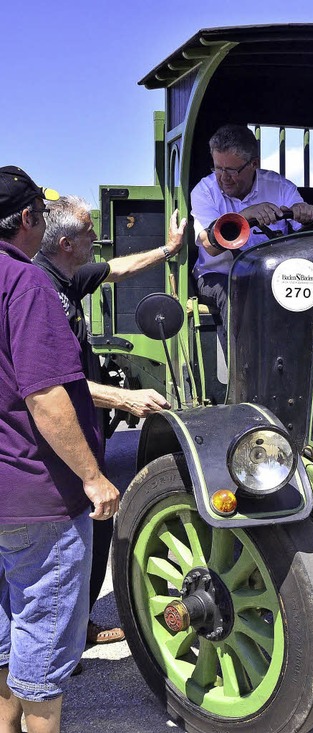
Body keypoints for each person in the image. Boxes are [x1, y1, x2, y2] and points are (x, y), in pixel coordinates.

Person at [35, 195, 186, 646]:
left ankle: (77, 627)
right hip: (63, 440)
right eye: (87, 235)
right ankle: (56, 650)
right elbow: (54, 384)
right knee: (68, 541)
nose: (96, 241)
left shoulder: (67, 276)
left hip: (86, 430)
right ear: (65, 243)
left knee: (93, 533)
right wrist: (124, 398)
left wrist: (168, 250)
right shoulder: (41, 291)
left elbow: (117, 268)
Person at [0, 166, 119, 733]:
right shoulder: (26, 285)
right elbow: (45, 394)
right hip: (36, 497)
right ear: (27, 219)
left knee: (3, 642)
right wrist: (93, 477)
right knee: (43, 653)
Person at [190, 124, 313, 340]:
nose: (223, 177)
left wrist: (304, 215)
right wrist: (245, 216)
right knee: (236, 296)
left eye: (231, 170)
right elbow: (210, 245)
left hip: (274, 275)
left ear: (254, 164)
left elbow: (306, 235)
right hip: (218, 275)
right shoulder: (204, 191)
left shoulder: (281, 187)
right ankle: (242, 371)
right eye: (217, 168)